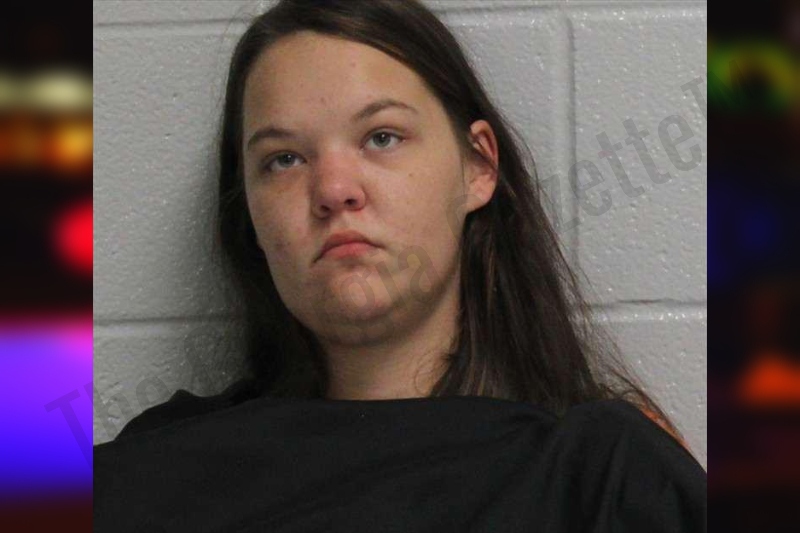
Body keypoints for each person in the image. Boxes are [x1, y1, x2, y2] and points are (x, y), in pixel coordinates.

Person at [94, 1, 706, 531]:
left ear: (477, 167)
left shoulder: (602, 476)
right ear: (250, 215)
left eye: (381, 137)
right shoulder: (156, 471)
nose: (334, 190)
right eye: (284, 159)